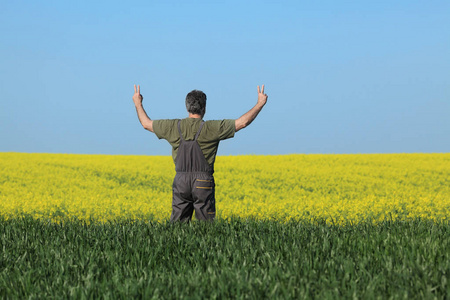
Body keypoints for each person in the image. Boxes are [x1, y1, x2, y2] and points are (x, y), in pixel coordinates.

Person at [132, 84, 268, 222]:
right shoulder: (212, 128)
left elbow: (146, 123)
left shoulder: (172, 126)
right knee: (206, 230)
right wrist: (259, 104)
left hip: (181, 182)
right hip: (203, 182)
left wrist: (138, 103)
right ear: (204, 108)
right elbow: (242, 123)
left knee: (177, 230)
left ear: (187, 107)